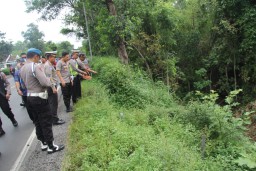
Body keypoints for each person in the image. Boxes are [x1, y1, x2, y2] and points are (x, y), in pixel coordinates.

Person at [20, 48, 64, 154]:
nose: (39, 59)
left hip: (29, 97)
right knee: (46, 121)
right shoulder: (35, 66)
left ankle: (43, 143)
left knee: (37, 122)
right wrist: (50, 80)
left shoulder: (22, 68)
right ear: (35, 56)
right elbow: (45, 82)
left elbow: (23, 85)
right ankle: (51, 146)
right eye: (39, 57)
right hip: (39, 98)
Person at [44, 51, 65, 125]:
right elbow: (49, 77)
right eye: (54, 57)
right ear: (50, 57)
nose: (55, 58)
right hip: (51, 87)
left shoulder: (50, 64)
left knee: (52, 103)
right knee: (53, 104)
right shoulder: (48, 65)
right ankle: (55, 120)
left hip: (51, 86)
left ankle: (54, 119)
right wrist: (53, 87)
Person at [14, 58, 34, 122]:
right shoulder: (17, 72)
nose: (22, 65)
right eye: (21, 63)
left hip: (33, 90)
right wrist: (18, 90)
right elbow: (17, 81)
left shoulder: (30, 69)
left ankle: (37, 117)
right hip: (25, 92)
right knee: (29, 107)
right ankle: (33, 119)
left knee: (35, 104)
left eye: (23, 63)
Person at [0, 70, 18, 136]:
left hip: (2, 96)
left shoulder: (1, 74)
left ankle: (12, 119)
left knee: (6, 110)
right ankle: (0, 129)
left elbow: (7, 83)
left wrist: (8, 93)